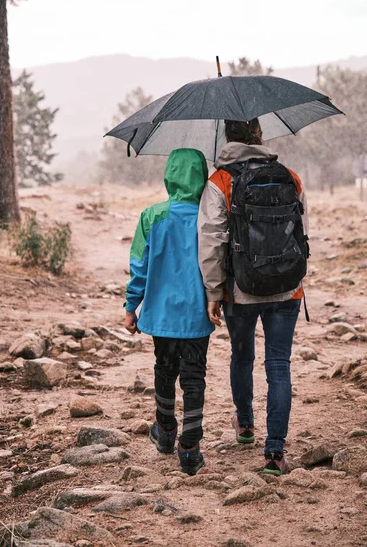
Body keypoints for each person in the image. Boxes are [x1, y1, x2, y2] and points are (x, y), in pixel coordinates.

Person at [198, 119, 309, 475]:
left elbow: (212, 241)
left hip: (240, 289)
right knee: (279, 365)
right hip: (287, 288)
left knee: (242, 356)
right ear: (260, 135)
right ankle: (275, 453)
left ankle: (245, 424)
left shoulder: (220, 181)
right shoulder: (289, 175)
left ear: (229, 137)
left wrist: (214, 291)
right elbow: (302, 235)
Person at [124, 148, 214, 476]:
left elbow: (139, 265)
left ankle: (164, 431)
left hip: (161, 315)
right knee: (194, 377)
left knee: (163, 370)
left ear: (169, 176)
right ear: (201, 177)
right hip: (196, 315)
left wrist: (131, 306)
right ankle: (190, 447)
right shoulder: (210, 216)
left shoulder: (152, 216)